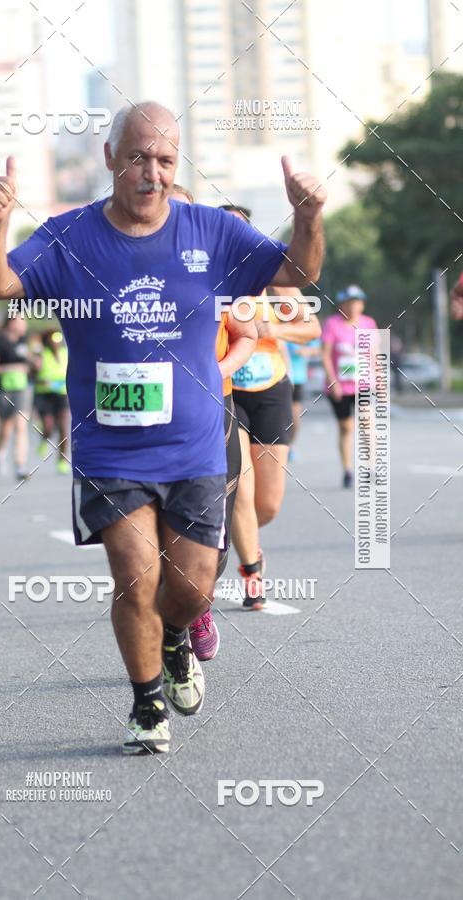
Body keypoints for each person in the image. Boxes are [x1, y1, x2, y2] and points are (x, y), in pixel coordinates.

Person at [0, 101, 326, 754]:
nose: (151, 172)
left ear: (177, 163)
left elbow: (298, 272)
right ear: (111, 156)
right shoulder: (69, 237)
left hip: (193, 445)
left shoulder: (213, 231)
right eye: (138, 157)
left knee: (190, 588)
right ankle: (145, 705)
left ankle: (175, 638)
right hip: (111, 446)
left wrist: (308, 217)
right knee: (135, 575)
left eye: (164, 159)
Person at [170, 185, 257, 660]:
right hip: (146, 417)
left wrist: (216, 370)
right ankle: (169, 628)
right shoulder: (120, 269)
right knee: (149, 528)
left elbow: (246, 336)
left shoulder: (219, 273)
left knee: (213, 523)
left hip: (210, 408)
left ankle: (198, 604)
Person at [231, 285, 321, 607]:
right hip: (227, 391)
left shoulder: (276, 283)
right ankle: (251, 573)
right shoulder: (216, 277)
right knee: (241, 488)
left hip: (270, 392)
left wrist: (274, 329)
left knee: (267, 505)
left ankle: (242, 539)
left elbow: (312, 328)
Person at [321, 285, 377, 487]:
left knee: (367, 423)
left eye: (357, 303)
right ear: (341, 305)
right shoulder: (332, 324)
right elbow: (325, 355)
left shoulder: (368, 323)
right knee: (346, 427)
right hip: (339, 387)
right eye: (349, 303)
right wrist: (333, 381)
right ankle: (347, 470)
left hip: (363, 383)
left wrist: (380, 380)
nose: (353, 307)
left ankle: (370, 467)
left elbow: (374, 354)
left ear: (362, 305)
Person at [0, 313, 36, 480]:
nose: (23, 324)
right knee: (6, 428)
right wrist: (12, 368)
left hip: (23, 388)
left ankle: (20, 466)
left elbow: (32, 363)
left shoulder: (26, 340)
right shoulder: (0, 342)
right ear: (10, 323)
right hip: (4, 389)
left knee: (21, 426)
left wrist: (34, 362)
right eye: (20, 320)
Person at [34, 329, 71, 474]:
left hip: (61, 395)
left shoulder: (66, 353)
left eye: (59, 338)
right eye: (53, 339)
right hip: (45, 394)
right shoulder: (42, 354)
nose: (56, 342)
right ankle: (45, 438)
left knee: (63, 427)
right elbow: (33, 375)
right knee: (48, 426)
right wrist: (37, 371)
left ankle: (62, 461)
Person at [286, 336, 321, 458]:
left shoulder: (302, 328)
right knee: (279, 415)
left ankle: (289, 445)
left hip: (297, 379)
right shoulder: (278, 327)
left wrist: (307, 351)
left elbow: (318, 348)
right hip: (278, 378)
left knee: (295, 417)